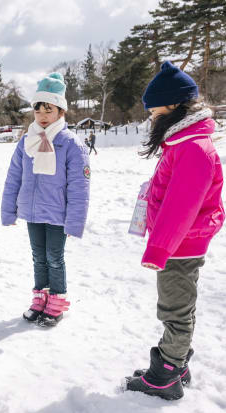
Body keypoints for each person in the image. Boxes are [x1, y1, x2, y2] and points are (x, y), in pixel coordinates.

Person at [124, 62, 224, 400]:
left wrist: (159, 249)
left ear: (174, 107)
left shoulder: (192, 148)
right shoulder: (183, 143)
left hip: (181, 245)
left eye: (155, 112)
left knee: (175, 310)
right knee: (180, 307)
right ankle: (177, 362)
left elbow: (180, 208)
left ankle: (166, 374)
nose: (152, 118)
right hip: (182, 243)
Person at [1, 72, 90, 327]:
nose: (42, 116)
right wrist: (9, 210)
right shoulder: (27, 141)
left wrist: (74, 222)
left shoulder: (71, 144)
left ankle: (57, 301)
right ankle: (40, 297)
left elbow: (79, 187)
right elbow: (13, 177)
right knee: (38, 256)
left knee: (54, 256)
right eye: (38, 110)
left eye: (48, 110)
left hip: (57, 213)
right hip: (32, 211)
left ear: (60, 111)